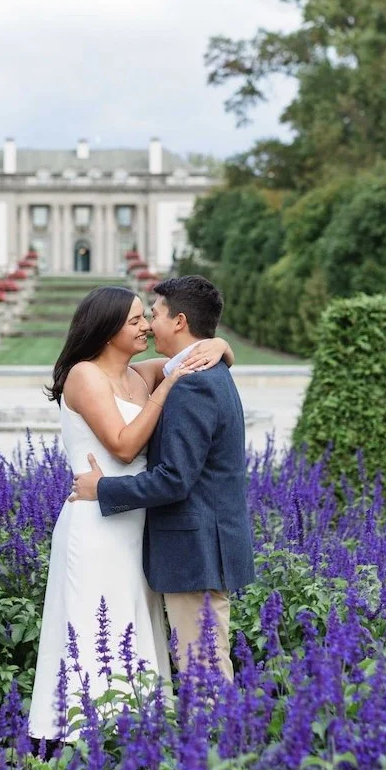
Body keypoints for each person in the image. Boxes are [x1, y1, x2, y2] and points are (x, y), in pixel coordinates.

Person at [27, 284, 235, 740]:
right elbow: (122, 447)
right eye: (135, 320)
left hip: (133, 524)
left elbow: (196, 353)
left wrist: (220, 345)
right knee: (94, 622)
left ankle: (136, 734)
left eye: (148, 316)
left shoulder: (141, 375)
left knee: (133, 626)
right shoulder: (85, 375)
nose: (145, 325)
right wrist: (168, 389)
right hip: (96, 522)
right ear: (106, 331)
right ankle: (84, 735)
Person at [69, 275, 255, 681]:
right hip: (192, 546)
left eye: (154, 315)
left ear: (180, 321)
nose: (150, 324)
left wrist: (102, 489)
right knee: (202, 661)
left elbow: (174, 479)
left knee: (202, 669)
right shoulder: (203, 373)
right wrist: (221, 345)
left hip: (196, 549)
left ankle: (218, 743)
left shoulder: (192, 387)